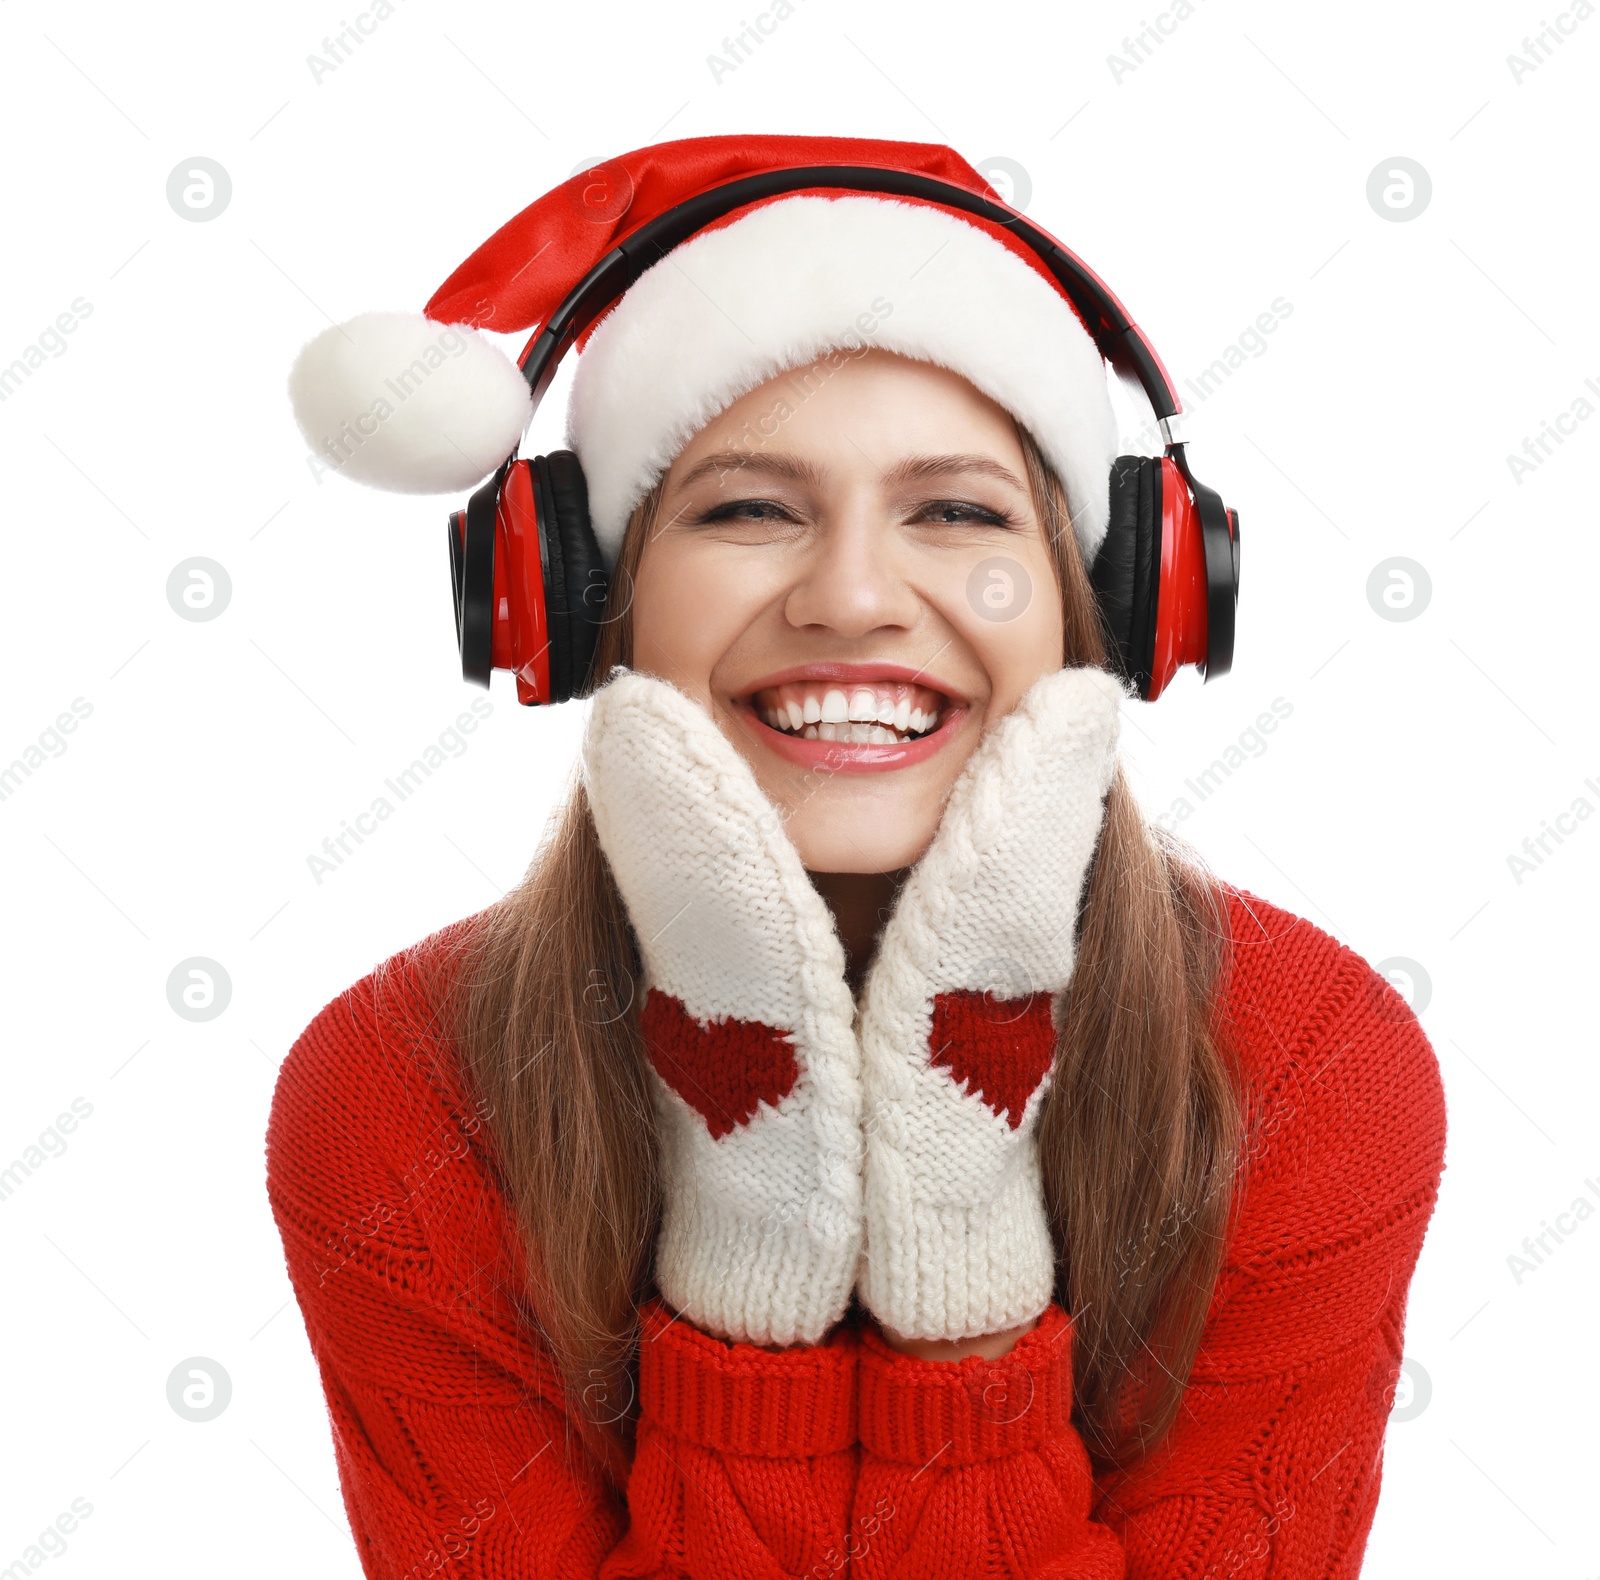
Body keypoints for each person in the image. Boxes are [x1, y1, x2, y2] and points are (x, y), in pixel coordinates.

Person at [269, 135, 1447, 1579]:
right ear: (583, 606)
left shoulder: (1312, 1066)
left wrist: (961, 1268)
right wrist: (753, 1248)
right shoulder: (394, 1096)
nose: (851, 597)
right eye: (746, 510)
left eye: (956, 512)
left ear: (1113, 606)